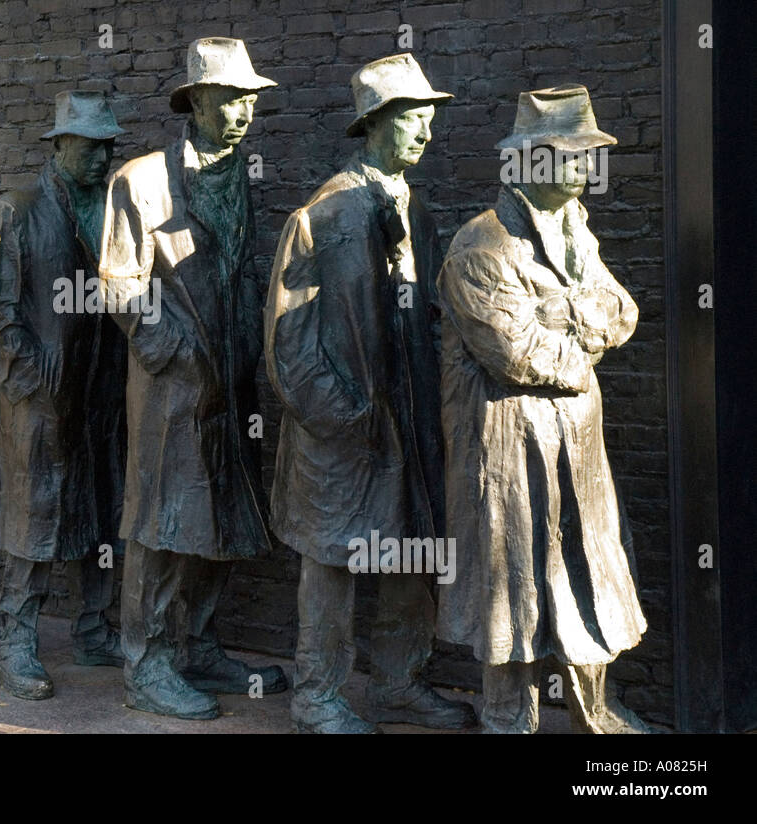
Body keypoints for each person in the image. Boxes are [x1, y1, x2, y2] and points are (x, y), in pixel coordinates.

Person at [265, 53, 475, 733]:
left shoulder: (414, 207)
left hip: (408, 418)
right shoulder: (325, 215)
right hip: (344, 428)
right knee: (333, 558)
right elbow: (289, 340)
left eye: (430, 122)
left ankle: (398, 682)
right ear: (378, 123)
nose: (427, 135)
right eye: (416, 121)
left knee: (411, 548)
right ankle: (317, 693)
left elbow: (433, 312)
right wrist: (346, 415)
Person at [436, 84, 649, 733]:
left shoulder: (576, 231)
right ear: (536, 161)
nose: (590, 166)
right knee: (514, 588)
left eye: (591, 153)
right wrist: (582, 329)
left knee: (590, 570)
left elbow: (625, 312)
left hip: (577, 444)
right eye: (578, 153)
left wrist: (571, 317)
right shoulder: (481, 245)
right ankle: (508, 719)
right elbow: (527, 357)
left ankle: (595, 710)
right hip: (508, 449)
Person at [99, 37, 287, 720]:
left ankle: (198, 644)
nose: (243, 113)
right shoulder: (142, 180)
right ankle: (146, 663)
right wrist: (174, 353)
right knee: (160, 523)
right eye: (230, 100)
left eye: (250, 102)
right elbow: (121, 288)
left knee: (225, 514)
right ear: (196, 101)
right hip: (172, 386)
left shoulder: (239, 174)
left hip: (233, 381)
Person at [0, 90, 128, 700]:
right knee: (33, 518)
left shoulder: (116, 213)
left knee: (103, 511)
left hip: (103, 393)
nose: (101, 157)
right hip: (39, 400)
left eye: (108, 146)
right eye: (90, 145)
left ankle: (96, 627)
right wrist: (33, 386)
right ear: (60, 145)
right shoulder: (17, 211)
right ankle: (16, 639)